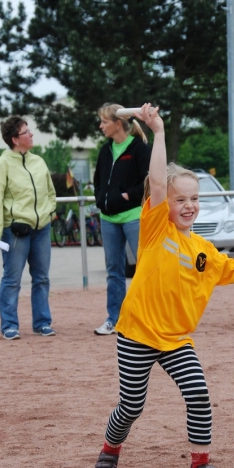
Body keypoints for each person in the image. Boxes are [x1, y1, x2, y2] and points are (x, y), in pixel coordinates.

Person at [91, 103, 234, 468]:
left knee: (198, 393)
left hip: (175, 340)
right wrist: (159, 132)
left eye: (194, 198)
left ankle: (200, 467)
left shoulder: (204, 250)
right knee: (132, 405)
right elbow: (153, 180)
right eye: (180, 199)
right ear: (166, 202)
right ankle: (109, 450)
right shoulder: (154, 229)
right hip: (136, 333)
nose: (188, 205)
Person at [0, 115, 57, 340]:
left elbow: (50, 191)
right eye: (26, 132)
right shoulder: (2, 164)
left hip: (42, 229)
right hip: (15, 230)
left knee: (42, 277)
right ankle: (9, 325)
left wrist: (51, 212)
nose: (31, 134)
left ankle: (42, 322)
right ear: (15, 139)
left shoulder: (39, 161)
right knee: (12, 279)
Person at [93, 102, 152, 335]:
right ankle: (114, 319)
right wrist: (101, 199)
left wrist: (127, 196)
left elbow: (148, 182)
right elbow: (98, 180)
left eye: (104, 122)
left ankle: (146, 318)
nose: (100, 126)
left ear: (118, 124)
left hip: (134, 217)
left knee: (144, 268)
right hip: (108, 219)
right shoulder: (105, 150)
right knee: (113, 271)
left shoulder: (139, 148)